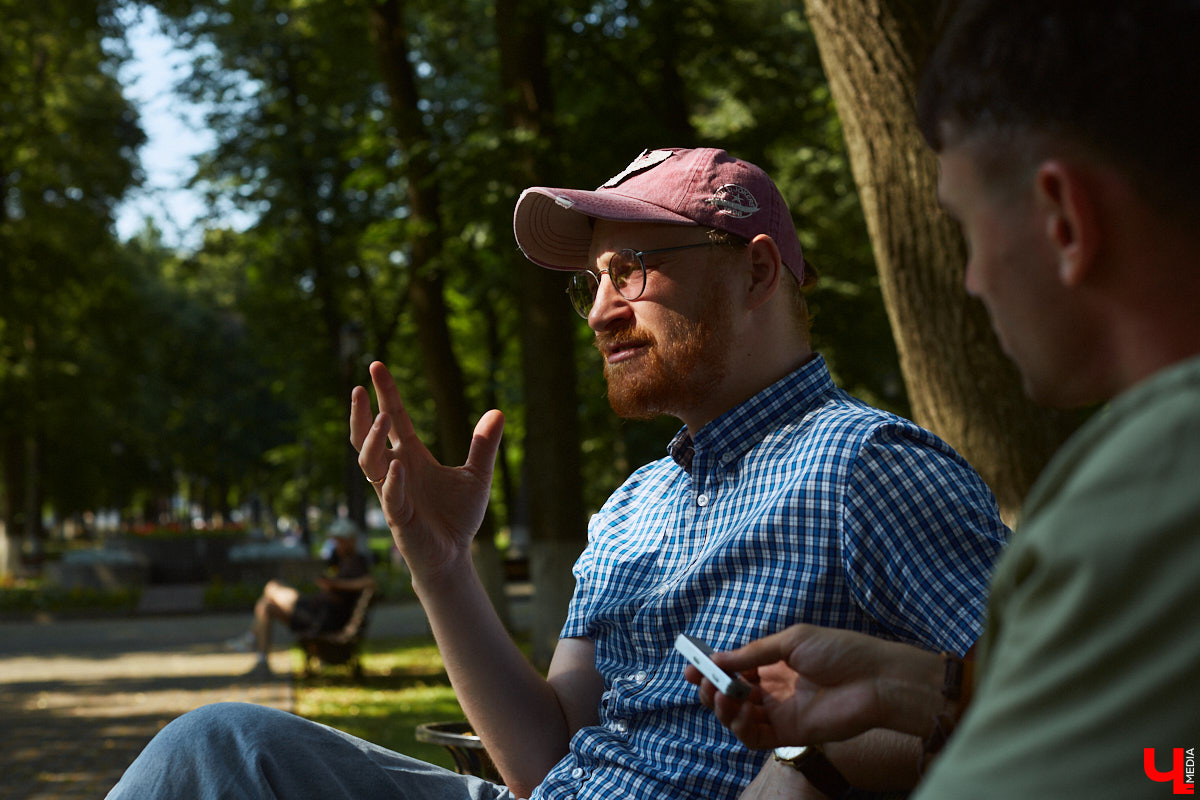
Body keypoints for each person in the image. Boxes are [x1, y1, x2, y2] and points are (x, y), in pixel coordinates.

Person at [106, 147, 1008, 800]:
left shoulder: (869, 467)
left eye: (634, 271)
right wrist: (441, 564)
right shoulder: (634, 506)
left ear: (758, 271)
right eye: (594, 282)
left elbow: (1046, 707)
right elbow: (542, 757)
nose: (601, 313)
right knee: (217, 749)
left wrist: (814, 767)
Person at [689, 3, 1200, 798]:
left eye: (964, 230)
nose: (971, 281)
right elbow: (1172, 765)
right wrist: (927, 688)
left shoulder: (1154, 484)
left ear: (1063, 218)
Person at [227, 518, 372, 676]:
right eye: (336, 541)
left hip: (319, 617)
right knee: (266, 606)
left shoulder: (357, 561)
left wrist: (335, 584)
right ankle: (261, 658)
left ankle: (251, 639)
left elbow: (370, 582)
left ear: (351, 540)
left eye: (340, 541)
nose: (337, 546)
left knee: (272, 586)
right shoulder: (342, 561)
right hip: (315, 612)